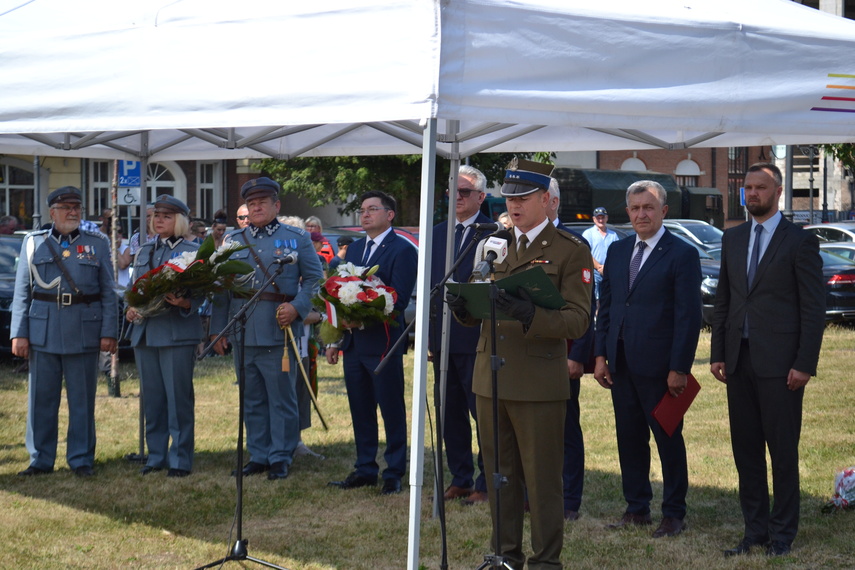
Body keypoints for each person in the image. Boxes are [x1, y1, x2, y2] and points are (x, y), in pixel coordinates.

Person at [449, 159, 593, 569]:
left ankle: (545, 561)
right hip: (490, 378)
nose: (514, 205)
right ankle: (503, 555)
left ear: (547, 200)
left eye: (523, 198)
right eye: (510, 198)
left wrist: (531, 314)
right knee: (498, 476)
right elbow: (482, 306)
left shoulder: (570, 249)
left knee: (542, 479)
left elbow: (579, 320)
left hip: (536, 381)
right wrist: (464, 307)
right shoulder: (494, 243)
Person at [710, 163, 825, 558]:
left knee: (782, 452)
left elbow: (813, 308)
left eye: (760, 187)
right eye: (747, 188)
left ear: (778, 192)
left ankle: (782, 534)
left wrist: (805, 363)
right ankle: (754, 531)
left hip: (781, 366)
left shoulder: (799, 241)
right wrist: (717, 354)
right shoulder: (733, 237)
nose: (752, 193)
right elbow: (724, 299)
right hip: (738, 362)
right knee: (746, 452)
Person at [593, 180, 702, 539]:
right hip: (620, 364)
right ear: (628, 213)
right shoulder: (619, 251)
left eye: (649, 207)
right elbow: (606, 307)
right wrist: (600, 355)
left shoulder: (681, 254)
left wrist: (679, 368)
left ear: (663, 211)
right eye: (635, 208)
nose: (642, 214)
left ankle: (673, 513)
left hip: (661, 368)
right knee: (629, 439)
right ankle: (636, 508)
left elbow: (689, 315)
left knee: (668, 439)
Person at [210, 177, 324, 481]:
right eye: (252, 202)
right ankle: (258, 454)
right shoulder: (233, 239)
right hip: (243, 329)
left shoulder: (296, 237)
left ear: (276, 205)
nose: (257, 207)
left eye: (263, 202)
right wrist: (217, 330)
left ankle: (280, 456)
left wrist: (297, 308)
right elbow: (222, 289)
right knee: (252, 396)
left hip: (279, 330)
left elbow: (315, 280)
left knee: (281, 397)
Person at [11, 186, 118, 477]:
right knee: (41, 400)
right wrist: (18, 333)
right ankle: (40, 459)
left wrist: (109, 331)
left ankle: (81, 458)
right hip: (42, 330)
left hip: (83, 329)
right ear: (52, 212)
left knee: (82, 400)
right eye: (66, 207)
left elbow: (109, 291)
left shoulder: (97, 243)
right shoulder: (34, 242)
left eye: (77, 207)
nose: (73, 212)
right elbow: (22, 292)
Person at [326, 190, 418, 495]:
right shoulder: (352, 250)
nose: (364, 215)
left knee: (391, 408)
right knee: (360, 408)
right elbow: (337, 295)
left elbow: (400, 300)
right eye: (362, 210)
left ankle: (394, 472)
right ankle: (365, 467)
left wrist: (364, 318)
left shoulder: (402, 250)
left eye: (372, 209)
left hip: (383, 344)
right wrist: (335, 338)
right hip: (353, 345)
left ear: (389, 215)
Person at [126, 195, 203, 478]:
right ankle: (155, 455)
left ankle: (180, 458)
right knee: (153, 399)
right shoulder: (145, 249)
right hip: (145, 333)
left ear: (180, 221)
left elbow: (206, 295)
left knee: (178, 398)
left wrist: (186, 304)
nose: (159, 220)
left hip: (176, 332)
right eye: (156, 216)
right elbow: (136, 288)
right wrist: (131, 308)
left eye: (167, 216)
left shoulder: (193, 250)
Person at [428, 165, 492, 505]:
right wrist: (428, 337)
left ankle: (486, 480)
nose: (457, 197)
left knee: (481, 412)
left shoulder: (493, 234)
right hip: (444, 338)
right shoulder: (438, 233)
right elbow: (429, 287)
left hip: (477, 338)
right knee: (449, 411)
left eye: (465, 192)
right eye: (453, 191)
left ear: (481, 197)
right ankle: (461, 477)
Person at [547, 177, 595, 522]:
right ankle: (535, 494)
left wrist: (577, 353)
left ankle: (569, 500)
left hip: (562, 354)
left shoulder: (575, 242)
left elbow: (586, 307)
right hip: (523, 355)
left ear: (552, 202)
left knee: (564, 429)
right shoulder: (512, 243)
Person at [581, 207, 619, 301]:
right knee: (594, 299)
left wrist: (606, 268)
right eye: (598, 218)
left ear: (607, 218)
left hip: (609, 272)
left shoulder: (613, 235)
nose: (600, 220)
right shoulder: (588, 234)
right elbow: (585, 253)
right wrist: (598, 267)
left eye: (603, 217)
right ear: (594, 219)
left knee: (608, 299)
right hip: (593, 272)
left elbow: (617, 254)